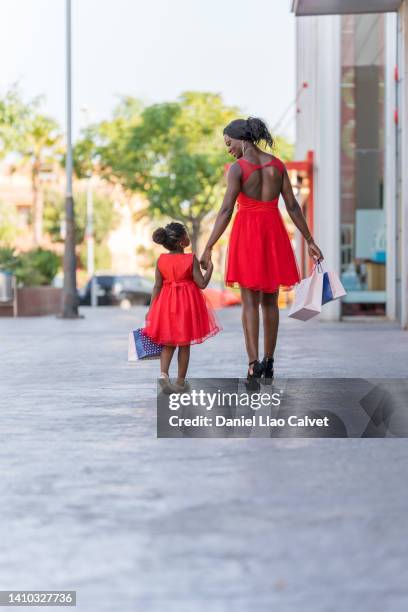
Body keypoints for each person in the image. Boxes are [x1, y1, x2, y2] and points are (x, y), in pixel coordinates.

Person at [200, 117, 323, 382]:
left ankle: (253, 364)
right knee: (270, 301)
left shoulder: (238, 169)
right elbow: (292, 206)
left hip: (248, 234)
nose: (228, 148)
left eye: (229, 142)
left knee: (249, 303)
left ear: (241, 139)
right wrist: (310, 240)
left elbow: (225, 210)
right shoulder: (277, 165)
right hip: (273, 234)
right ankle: (269, 361)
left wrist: (209, 245)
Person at [144, 222, 221, 391]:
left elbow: (157, 285)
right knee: (184, 344)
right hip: (187, 306)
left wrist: (151, 309)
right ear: (181, 242)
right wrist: (210, 269)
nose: (188, 237)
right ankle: (180, 382)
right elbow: (201, 284)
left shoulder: (161, 260)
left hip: (166, 305)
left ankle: (163, 375)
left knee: (168, 342)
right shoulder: (189, 258)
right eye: (185, 234)